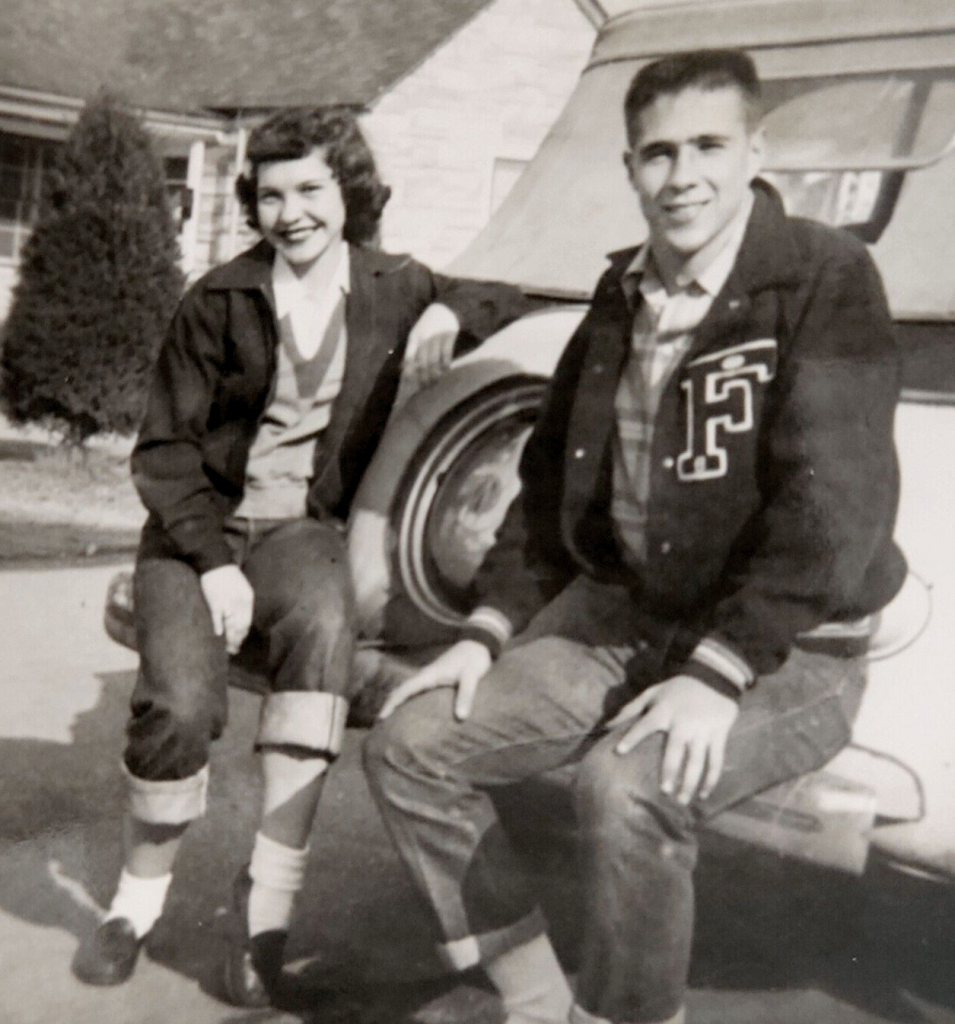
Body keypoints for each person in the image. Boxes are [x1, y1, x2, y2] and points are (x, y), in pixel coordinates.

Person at [364, 49, 906, 1024]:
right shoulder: (618, 295)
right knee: (409, 744)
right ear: (626, 170)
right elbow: (544, 494)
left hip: (791, 651)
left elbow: (833, 514)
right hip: (626, 618)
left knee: (625, 788)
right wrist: (484, 630)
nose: (682, 175)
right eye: (656, 154)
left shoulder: (821, 278)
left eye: (707, 145)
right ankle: (535, 1003)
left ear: (755, 150)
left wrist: (718, 670)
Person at [71, 106, 531, 1006]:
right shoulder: (219, 300)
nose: (292, 213)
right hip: (195, 535)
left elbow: (504, 301)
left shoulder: (395, 286)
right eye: (272, 194)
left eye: (312, 190)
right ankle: (133, 906)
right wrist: (211, 566)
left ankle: (265, 918)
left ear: (349, 193)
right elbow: (164, 454)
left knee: (322, 643)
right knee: (178, 708)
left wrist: (444, 305)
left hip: (301, 535)